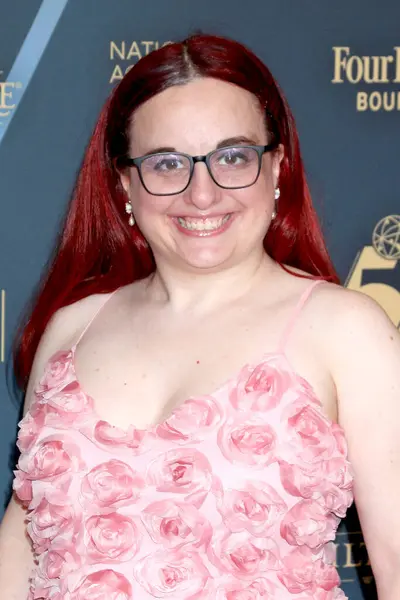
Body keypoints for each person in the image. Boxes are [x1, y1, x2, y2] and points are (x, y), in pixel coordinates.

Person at [0, 32, 399, 600]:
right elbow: (25, 544)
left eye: (232, 157)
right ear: (125, 185)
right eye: (167, 164)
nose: (203, 194)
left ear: (277, 168)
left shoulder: (345, 331)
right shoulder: (73, 327)